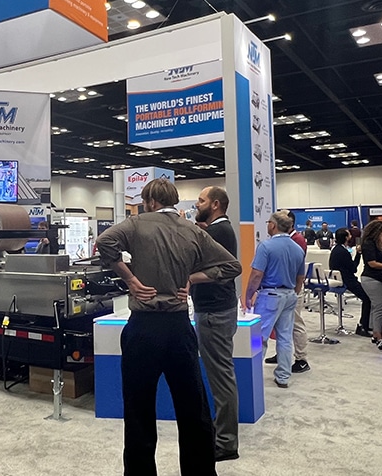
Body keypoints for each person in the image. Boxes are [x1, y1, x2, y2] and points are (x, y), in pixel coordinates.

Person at [96, 179, 241, 476]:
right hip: (179, 329)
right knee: (193, 410)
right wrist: (191, 279)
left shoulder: (135, 224)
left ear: (149, 202)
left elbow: (104, 243)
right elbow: (231, 267)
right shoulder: (191, 230)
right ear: (174, 201)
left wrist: (131, 281)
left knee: (138, 412)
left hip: (143, 329)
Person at [191, 186, 240, 462]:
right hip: (216, 310)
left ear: (216, 204)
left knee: (221, 379)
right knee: (221, 375)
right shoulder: (217, 230)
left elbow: (218, 269)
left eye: (201, 200)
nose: (197, 204)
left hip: (214, 312)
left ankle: (226, 443)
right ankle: (223, 436)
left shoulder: (219, 231)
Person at [243, 210, 306, 388]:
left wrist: (248, 295)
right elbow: (300, 277)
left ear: (273, 225)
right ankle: (283, 376)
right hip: (289, 294)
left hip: (269, 295)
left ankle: (254, 375)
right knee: (285, 336)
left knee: (259, 337)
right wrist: (294, 292)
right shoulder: (297, 248)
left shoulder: (266, 247)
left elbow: (256, 274)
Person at [265, 211, 311, 373]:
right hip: (287, 288)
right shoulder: (289, 240)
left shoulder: (297, 240)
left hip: (292, 286)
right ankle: (282, 355)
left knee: (295, 323)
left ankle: (301, 358)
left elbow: (296, 267)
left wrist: (295, 291)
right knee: (282, 326)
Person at [328, 228, 372, 337]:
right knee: (367, 299)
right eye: (349, 235)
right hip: (347, 280)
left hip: (340, 278)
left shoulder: (335, 250)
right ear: (346, 237)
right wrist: (358, 254)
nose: (351, 236)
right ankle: (362, 326)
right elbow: (354, 269)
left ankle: (366, 324)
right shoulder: (343, 252)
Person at [359, 220, 382, 352]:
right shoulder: (368, 243)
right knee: (379, 307)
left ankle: (376, 334)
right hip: (371, 279)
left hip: (378, 279)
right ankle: (379, 337)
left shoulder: (378, 245)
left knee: (377, 307)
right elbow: (372, 263)